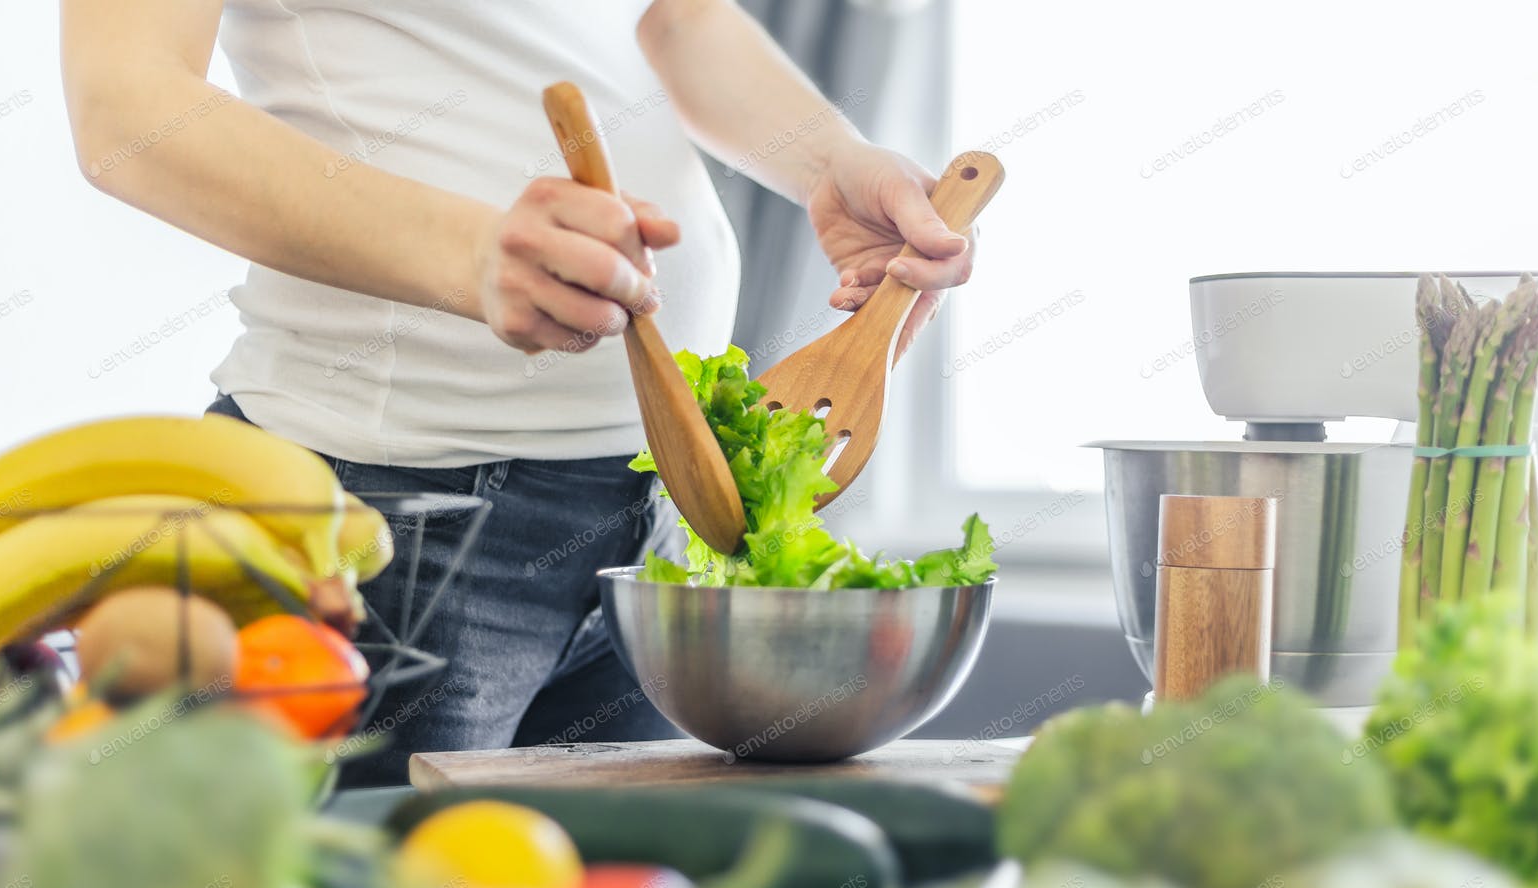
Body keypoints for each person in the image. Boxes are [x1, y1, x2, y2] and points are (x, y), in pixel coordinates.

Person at [61, 0, 979, 786]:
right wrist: (468, 252)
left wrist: (828, 162)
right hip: (392, 527)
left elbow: (671, 15)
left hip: (657, 518)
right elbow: (127, 104)